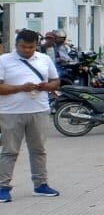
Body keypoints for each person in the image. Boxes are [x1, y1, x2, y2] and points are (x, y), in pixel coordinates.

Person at [0, 28, 61, 202]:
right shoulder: (3, 60)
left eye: (31, 47)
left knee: (38, 150)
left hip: (39, 111)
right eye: (23, 47)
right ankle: (3, 187)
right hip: (11, 112)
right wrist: (21, 88)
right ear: (16, 45)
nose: (27, 50)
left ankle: (41, 184)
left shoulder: (44, 59)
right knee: (10, 151)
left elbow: (56, 81)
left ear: (36, 46)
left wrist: (47, 86)